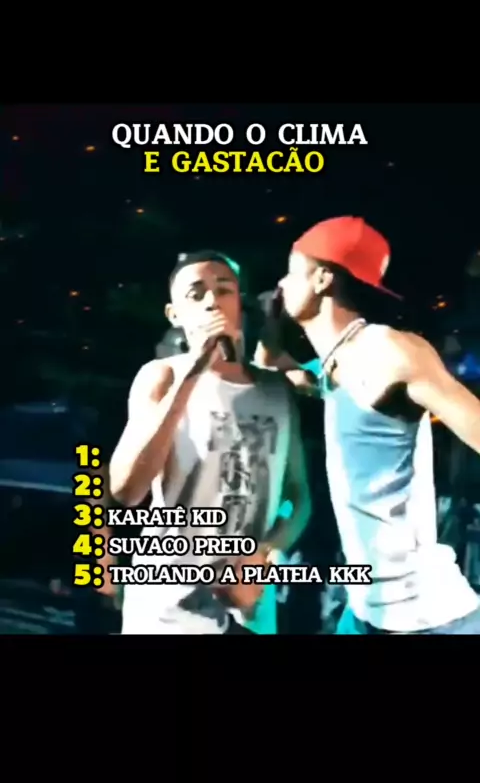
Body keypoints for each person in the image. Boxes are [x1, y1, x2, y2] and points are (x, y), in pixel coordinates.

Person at [258, 215, 480, 634]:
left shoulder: (389, 351)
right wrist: (272, 326)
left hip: (426, 617)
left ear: (322, 278)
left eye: (291, 271)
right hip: (366, 613)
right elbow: (270, 371)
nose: (280, 284)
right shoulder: (331, 368)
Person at [109, 250, 311, 634]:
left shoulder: (277, 390)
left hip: (248, 609)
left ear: (239, 304)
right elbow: (126, 490)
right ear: (174, 314)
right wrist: (196, 367)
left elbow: (299, 496)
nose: (212, 301)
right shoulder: (162, 376)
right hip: (168, 607)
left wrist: (265, 553)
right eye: (196, 293)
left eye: (224, 290)